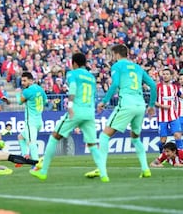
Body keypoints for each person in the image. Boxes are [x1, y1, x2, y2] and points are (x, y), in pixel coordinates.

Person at [85, 44, 157, 182]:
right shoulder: (137, 67)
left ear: (117, 54)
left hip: (126, 104)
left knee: (104, 136)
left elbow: (115, 84)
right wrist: (151, 105)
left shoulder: (117, 66)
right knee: (135, 138)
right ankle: (145, 169)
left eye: (112, 54)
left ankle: (101, 169)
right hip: (140, 105)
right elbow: (153, 86)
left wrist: (104, 101)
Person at [30, 53, 104, 181]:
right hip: (89, 112)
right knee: (92, 144)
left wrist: (69, 104)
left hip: (76, 111)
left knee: (54, 137)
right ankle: (103, 174)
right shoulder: (92, 77)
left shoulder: (72, 73)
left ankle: (43, 171)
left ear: (74, 63)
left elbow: (73, 88)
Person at [16, 72, 47, 162]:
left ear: (30, 80)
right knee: (21, 137)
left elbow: (20, 102)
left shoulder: (27, 91)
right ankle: (25, 155)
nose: (22, 83)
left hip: (31, 123)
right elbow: (45, 101)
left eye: (25, 81)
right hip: (39, 121)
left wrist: (18, 94)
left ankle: (36, 163)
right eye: (22, 80)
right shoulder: (40, 89)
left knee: (31, 142)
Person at [156, 69, 183, 153]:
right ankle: (161, 154)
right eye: (163, 74)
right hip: (162, 117)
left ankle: (180, 157)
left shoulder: (175, 87)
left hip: (174, 116)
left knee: (178, 135)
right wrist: (162, 106)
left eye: (167, 74)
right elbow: (153, 101)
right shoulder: (158, 87)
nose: (165, 75)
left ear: (171, 76)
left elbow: (180, 95)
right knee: (163, 140)